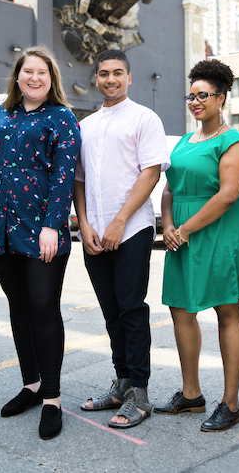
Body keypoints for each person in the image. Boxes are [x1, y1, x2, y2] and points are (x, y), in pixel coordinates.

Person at [0, 46, 81, 440]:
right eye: (27, 71)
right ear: (17, 77)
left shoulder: (62, 118)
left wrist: (53, 225)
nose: (34, 78)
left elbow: (65, 176)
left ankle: (52, 398)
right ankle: (30, 385)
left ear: (51, 79)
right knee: (18, 306)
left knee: (43, 308)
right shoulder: (1, 113)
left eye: (42, 73)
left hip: (41, 226)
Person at [155, 59, 239, 432]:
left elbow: (228, 195)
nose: (195, 102)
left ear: (221, 98)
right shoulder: (184, 141)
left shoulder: (235, 141)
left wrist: (183, 230)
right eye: (191, 96)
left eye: (203, 96)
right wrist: (167, 224)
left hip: (218, 231)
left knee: (226, 310)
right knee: (180, 308)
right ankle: (191, 394)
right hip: (180, 231)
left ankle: (230, 403)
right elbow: (169, 187)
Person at [74, 49, 170, 429]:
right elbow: (78, 180)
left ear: (129, 77)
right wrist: (83, 224)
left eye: (117, 73)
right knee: (111, 311)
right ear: (95, 79)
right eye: (103, 73)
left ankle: (140, 394)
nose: (110, 79)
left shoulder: (144, 118)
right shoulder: (85, 125)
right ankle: (121, 384)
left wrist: (119, 221)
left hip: (131, 229)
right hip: (93, 233)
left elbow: (150, 174)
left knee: (131, 309)